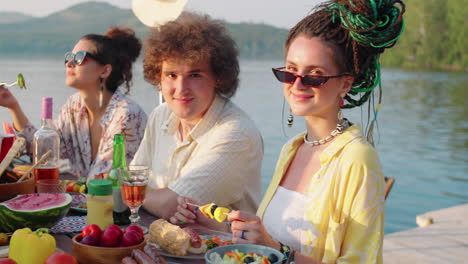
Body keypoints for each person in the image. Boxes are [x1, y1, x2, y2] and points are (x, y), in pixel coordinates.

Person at [171, 1, 405, 263]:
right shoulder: (292, 148)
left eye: (315, 75)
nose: (298, 84)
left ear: (345, 84)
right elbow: (266, 240)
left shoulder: (357, 159)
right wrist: (215, 224)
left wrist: (275, 249)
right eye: (290, 71)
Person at [131, 12, 263, 220]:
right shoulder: (160, 115)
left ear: (218, 78)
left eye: (194, 75)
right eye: (171, 75)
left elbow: (168, 204)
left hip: (221, 250)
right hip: (162, 242)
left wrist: (135, 196)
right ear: (159, 76)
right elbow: (132, 180)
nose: (181, 88)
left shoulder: (236, 132)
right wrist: (144, 195)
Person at [0, 27, 147, 179]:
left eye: (80, 57)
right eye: (69, 57)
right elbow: (45, 151)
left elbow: (107, 180)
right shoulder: (74, 106)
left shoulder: (127, 115)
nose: (69, 63)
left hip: (120, 200)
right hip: (87, 198)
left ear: (104, 71)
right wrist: (13, 106)